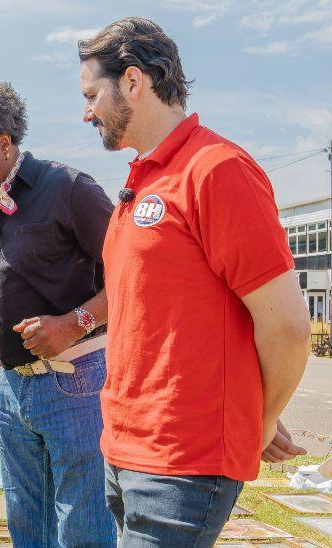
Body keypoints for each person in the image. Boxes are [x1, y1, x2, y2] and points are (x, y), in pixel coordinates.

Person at [78, 17, 311, 546]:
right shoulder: (145, 177)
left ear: (134, 82)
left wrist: (258, 421)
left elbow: (289, 328)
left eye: (93, 94)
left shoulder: (217, 169)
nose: (85, 111)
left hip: (181, 465)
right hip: (123, 451)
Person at [0, 79, 116, 547]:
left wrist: (74, 325)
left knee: (82, 527)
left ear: (4, 143)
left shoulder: (69, 189)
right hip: (14, 391)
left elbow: (137, 280)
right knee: (26, 524)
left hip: (80, 379)